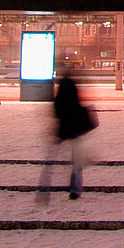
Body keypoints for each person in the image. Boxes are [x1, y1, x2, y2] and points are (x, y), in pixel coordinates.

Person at [49, 72, 97, 200]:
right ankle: (75, 188)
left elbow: (56, 112)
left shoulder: (59, 99)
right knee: (76, 162)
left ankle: (48, 188)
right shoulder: (74, 99)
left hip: (63, 130)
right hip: (75, 130)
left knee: (54, 159)